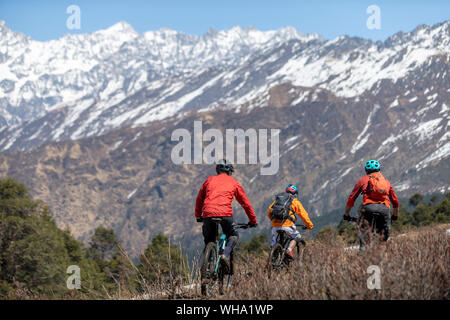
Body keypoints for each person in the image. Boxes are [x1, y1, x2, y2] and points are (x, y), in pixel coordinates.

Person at [195, 159, 257, 268]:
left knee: (209, 240)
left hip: (208, 213)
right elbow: (245, 203)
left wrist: (198, 215)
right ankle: (225, 254)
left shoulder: (209, 180)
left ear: (218, 170)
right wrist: (253, 221)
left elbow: (199, 199)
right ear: (229, 172)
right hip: (225, 214)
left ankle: (208, 265)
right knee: (233, 235)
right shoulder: (233, 182)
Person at [343, 160, 399, 247]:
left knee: (364, 238)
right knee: (383, 240)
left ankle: (363, 253)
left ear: (366, 170)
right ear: (379, 170)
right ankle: (382, 255)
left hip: (368, 209)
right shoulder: (386, 182)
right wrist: (395, 216)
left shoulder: (362, 180)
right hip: (384, 210)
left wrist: (346, 214)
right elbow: (395, 201)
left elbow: (352, 198)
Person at [267, 184, 313, 260]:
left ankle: (273, 255)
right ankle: (289, 250)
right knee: (297, 236)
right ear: (295, 194)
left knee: (275, 240)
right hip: (288, 226)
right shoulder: (295, 201)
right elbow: (303, 215)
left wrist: (274, 221)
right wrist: (309, 225)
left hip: (275, 226)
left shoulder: (277, 201)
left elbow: (269, 212)